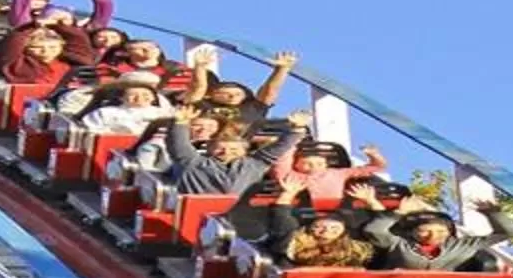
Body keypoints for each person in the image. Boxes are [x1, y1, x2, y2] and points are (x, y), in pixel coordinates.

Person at [364, 201, 513, 272]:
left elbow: (509, 233)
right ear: (411, 232)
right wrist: (396, 214)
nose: (432, 236)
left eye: (441, 232)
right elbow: (375, 230)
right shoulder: (398, 244)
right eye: (424, 231)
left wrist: (494, 214)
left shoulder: (462, 245)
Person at [145, 118, 273, 197]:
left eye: (211, 126)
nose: (226, 152)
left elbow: (274, 151)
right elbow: (178, 146)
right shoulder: (195, 160)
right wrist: (180, 123)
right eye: (196, 125)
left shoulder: (250, 165)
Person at [265, 138, 389, 208]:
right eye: (307, 163)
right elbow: (281, 164)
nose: (314, 167)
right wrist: (292, 144)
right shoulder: (292, 177)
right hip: (303, 208)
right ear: (296, 165)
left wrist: (374, 155)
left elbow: (375, 168)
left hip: (337, 208)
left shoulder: (339, 173)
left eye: (319, 163)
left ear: (326, 164)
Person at [75, 79, 181, 138]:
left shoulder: (164, 113)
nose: (139, 98)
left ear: (154, 98)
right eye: (133, 95)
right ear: (122, 98)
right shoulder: (105, 112)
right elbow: (90, 131)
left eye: (145, 95)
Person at [276, 212, 373, 270]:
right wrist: (287, 196)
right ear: (310, 229)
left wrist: (372, 202)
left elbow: (377, 231)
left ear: (343, 231)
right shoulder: (292, 246)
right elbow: (283, 225)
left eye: (334, 228)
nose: (326, 231)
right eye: (319, 227)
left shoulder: (357, 250)